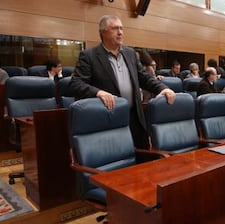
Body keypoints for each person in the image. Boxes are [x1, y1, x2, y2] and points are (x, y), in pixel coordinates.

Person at [69, 15, 175, 149]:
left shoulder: (130, 53)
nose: (120, 32)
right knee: (118, 158)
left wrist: (162, 88)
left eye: (121, 28)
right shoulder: (89, 56)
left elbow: (143, 78)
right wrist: (98, 92)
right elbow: (75, 84)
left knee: (140, 158)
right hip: (108, 118)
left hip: (134, 117)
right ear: (103, 32)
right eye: (115, 29)